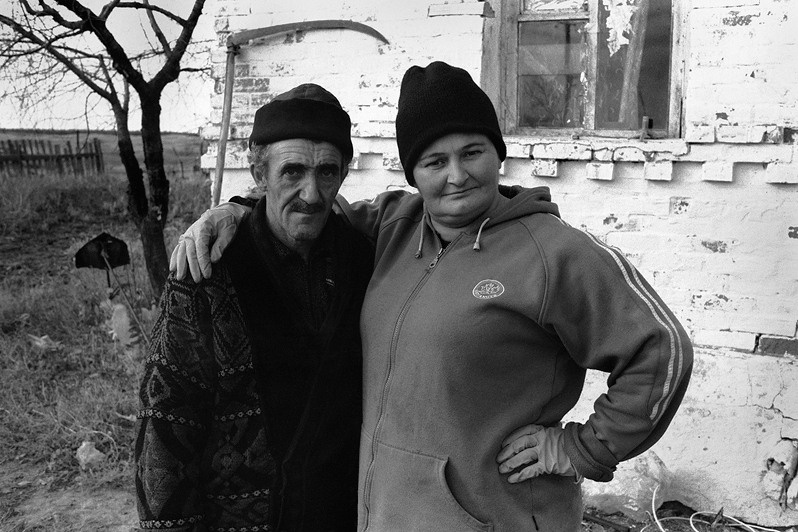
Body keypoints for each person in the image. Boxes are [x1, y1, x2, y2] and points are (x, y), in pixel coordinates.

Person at [173, 62, 693, 531]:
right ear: (413, 174)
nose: (456, 175)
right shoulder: (391, 227)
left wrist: (580, 448)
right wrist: (235, 211)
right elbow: (305, 213)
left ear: (498, 153)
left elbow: (661, 349)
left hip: (497, 518)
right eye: (434, 161)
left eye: (473, 153)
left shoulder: (553, 253)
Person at [135, 83, 374, 532]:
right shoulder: (207, 273)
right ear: (259, 174)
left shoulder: (365, 262)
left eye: (327, 172)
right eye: (293, 171)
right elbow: (165, 437)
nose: (311, 193)